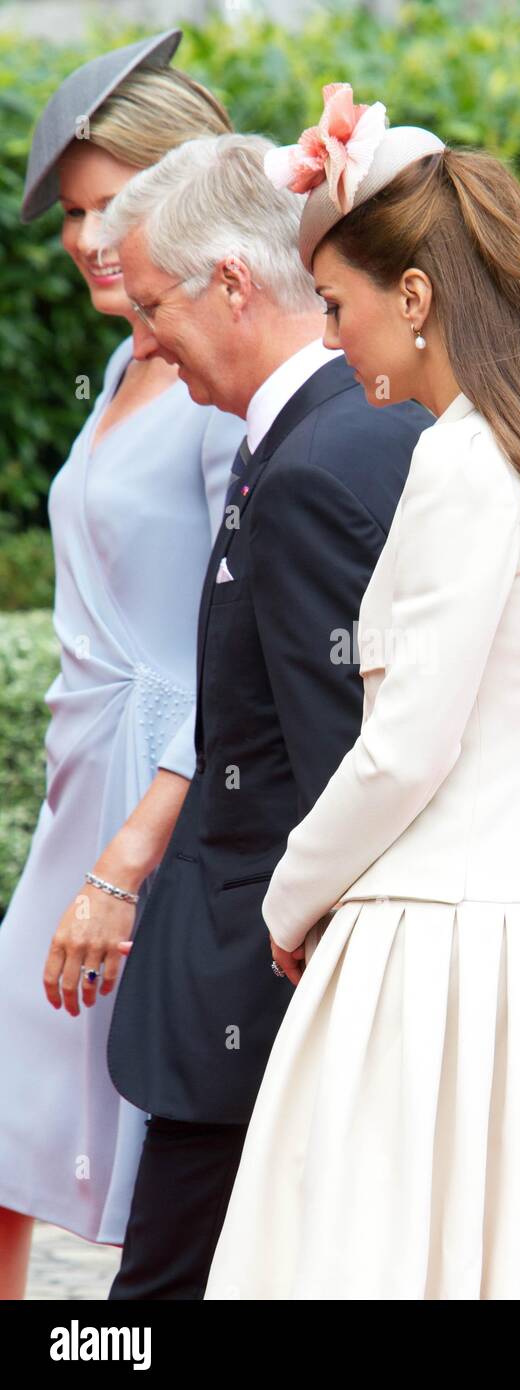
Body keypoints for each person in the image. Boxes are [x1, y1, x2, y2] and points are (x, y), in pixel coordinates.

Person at [202, 82, 520, 1301]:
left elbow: (406, 749)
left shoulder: (464, 464)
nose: (334, 337)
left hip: (437, 948)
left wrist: (287, 903)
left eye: (340, 305)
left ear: (415, 296)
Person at [93, 131, 432, 1299]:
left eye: (150, 308)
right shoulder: (348, 427)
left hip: (257, 994)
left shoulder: (317, 464)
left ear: (232, 283)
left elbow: (354, 766)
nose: (143, 343)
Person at [0, 30, 244, 1299]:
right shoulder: (118, 365)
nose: (93, 240)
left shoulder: (216, 381)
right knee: (10, 1119)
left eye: (115, 208)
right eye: (78, 214)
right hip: (77, 786)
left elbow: (232, 636)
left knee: (164, 1153)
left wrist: (133, 850)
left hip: (161, 798)